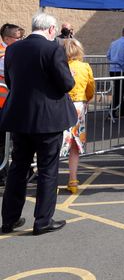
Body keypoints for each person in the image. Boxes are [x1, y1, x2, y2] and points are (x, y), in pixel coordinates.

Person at [1, 12, 76, 235]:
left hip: (20, 116)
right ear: (52, 29)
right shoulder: (53, 49)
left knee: (18, 168)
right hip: (48, 119)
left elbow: (11, 80)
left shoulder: (13, 49)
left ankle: (9, 219)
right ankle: (43, 220)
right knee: (48, 169)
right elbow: (66, 84)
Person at [60, 39, 95, 194]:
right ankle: (73, 180)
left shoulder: (60, 66)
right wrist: (87, 98)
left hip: (61, 105)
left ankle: (51, 182)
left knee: (57, 144)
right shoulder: (85, 67)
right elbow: (91, 88)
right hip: (79, 106)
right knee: (75, 144)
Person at [0, 23, 23, 185]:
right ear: (7, 38)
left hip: (6, 102)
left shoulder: (9, 51)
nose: (21, 40)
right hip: (3, 103)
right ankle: (2, 173)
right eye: (18, 38)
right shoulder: (5, 54)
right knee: (2, 140)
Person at [106, 26, 124, 118]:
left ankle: (122, 111)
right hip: (121, 71)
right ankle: (112, 111)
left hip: (112, 69)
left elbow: (108, 55)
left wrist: (114, 62)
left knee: (118, 90)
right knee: (119, 91)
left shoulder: (113, 43)